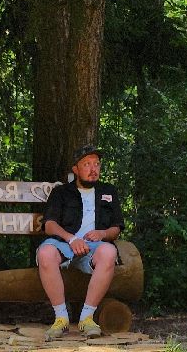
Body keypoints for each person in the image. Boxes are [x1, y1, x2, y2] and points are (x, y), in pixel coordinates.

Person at [36, 143, 125, 338]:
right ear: (75, 169)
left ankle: (87, 318)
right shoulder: (61, 192)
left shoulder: (108, 191)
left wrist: (102, 234)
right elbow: (49, 225)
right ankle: (61, 319)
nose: (93, 169)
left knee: (109, 252)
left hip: (95, 246)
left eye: (97, 164)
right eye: (87, 164)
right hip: (64, 243)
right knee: (45, 253)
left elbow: (116, 228)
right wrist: (71, 238)